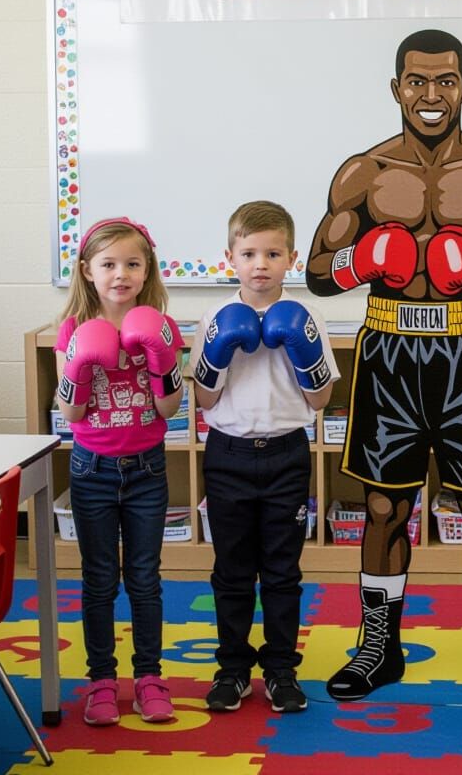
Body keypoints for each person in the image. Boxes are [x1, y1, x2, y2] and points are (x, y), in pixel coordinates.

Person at [307, 29, 462, 708]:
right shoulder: (361, 172)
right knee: (384, 507)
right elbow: (316, 273)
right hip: (388, 352)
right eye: (417, 81)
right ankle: (377, 648)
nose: (430, 95)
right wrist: (361, 262)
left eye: (444, 81)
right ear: (396, 89)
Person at [193, 201, 339, 715]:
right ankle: (232, 669)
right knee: (231, 571)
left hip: (286, 454)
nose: (261, 264)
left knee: (282, 571)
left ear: (291, 258)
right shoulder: (214, 318)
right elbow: (204, 400)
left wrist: (302, 349)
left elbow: (320, 403)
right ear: (229, 257)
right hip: (228, 454)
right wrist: (219, 352)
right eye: (249, 253)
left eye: (272, 253)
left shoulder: (309, 317)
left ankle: (280, 671)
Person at [55, 216, 185, 726]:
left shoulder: (163, 326)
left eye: (132, 263)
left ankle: (150, 677)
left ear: (147, 267)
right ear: (88, 271)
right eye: (109, 264)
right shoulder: (71, 330)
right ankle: (102, 681)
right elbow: (70, 415)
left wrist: (158, 354)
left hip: (148, 469)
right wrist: (82, 363)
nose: (120, 274)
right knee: (99, 579)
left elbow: (169, 408)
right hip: (91, 470)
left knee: (145, 578)